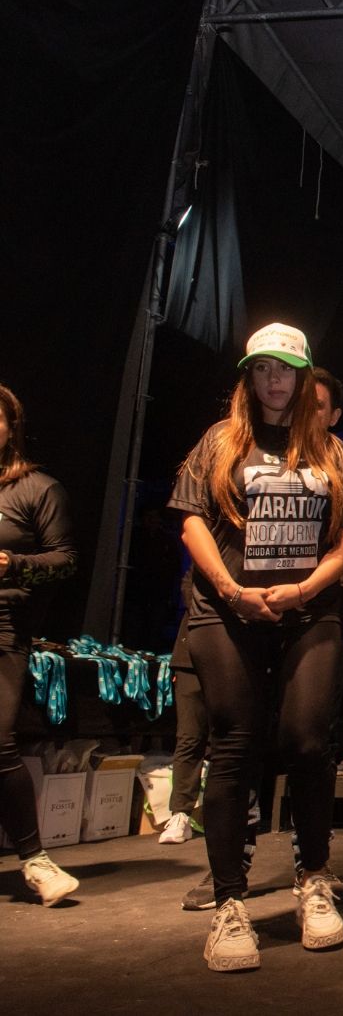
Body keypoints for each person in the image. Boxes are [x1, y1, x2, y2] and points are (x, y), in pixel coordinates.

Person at [170, 323, 343, 971]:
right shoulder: (220, 441)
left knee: (309, 740)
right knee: (235, 743)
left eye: (284, 369)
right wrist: (232, 591)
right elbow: (192, 520)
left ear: (303, 378)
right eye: (261, 368)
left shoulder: (330, 450)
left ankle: (314, 879)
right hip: (228, 609)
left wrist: (306, 588)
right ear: (248, 377)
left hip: (309, 610)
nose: (273, 380)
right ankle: (230, 903)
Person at [0, 383, 79, 906]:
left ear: (11, 428)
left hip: (4, 625)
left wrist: (13, 564)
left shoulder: (37, 489)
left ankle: (34, 860)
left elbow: (65, 559)